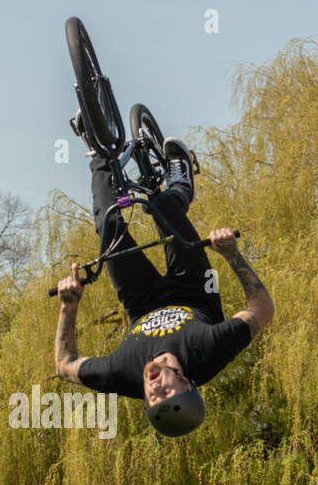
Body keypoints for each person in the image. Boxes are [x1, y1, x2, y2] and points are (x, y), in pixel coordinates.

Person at [55, 132, 274, 437]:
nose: (156, 388)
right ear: (186, 382)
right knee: (164, 207)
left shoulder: (121, 374)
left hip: (139, 298)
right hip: (196, 287)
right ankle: (181, 182)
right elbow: (262, 310)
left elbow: (64, 364)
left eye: (153, 398)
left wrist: (69, 306)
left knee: (108, 226)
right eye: (167, 392)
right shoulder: (208, 352)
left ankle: (98, 152)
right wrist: (231, 254)